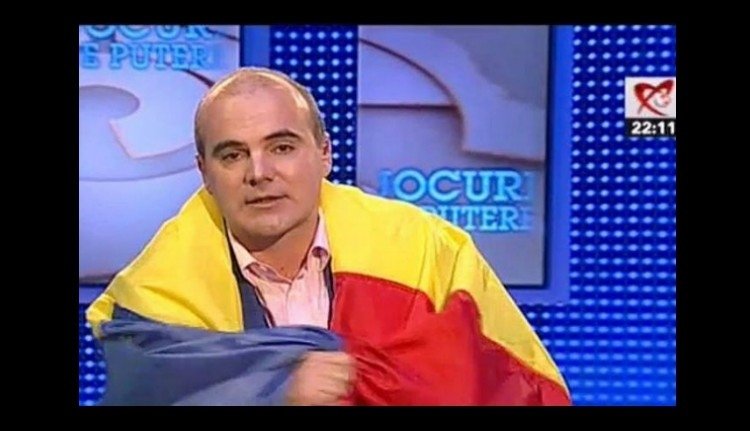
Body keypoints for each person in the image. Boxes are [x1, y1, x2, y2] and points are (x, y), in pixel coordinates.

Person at [86, 67, 571, 406]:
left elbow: (517, 386)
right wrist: (272, 391)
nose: (259, 172)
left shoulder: (426, 250)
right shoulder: (156, 291)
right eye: (232, 155)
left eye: (282, 147)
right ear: (204, 173)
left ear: (324, 155)